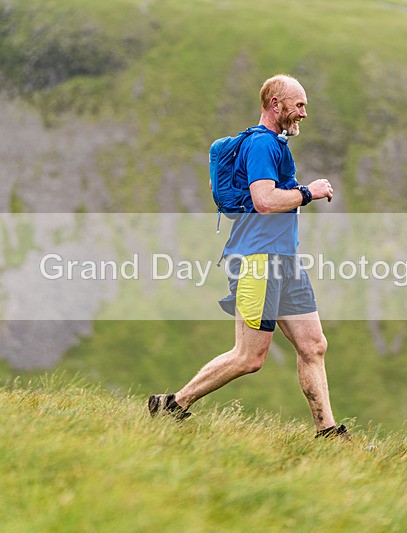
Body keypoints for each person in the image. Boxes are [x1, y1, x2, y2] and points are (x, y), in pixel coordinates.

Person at [148, 74, 347, 439]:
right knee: (249, 357)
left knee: (313, 345)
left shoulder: (277, 145)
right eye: (299, 105)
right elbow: (264, 200)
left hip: (285, 262)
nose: (304, 113)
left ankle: (328, 433)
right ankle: (173, 404)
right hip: (258, 261)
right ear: (276, 104)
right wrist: (309, 192)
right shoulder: (261, 145)